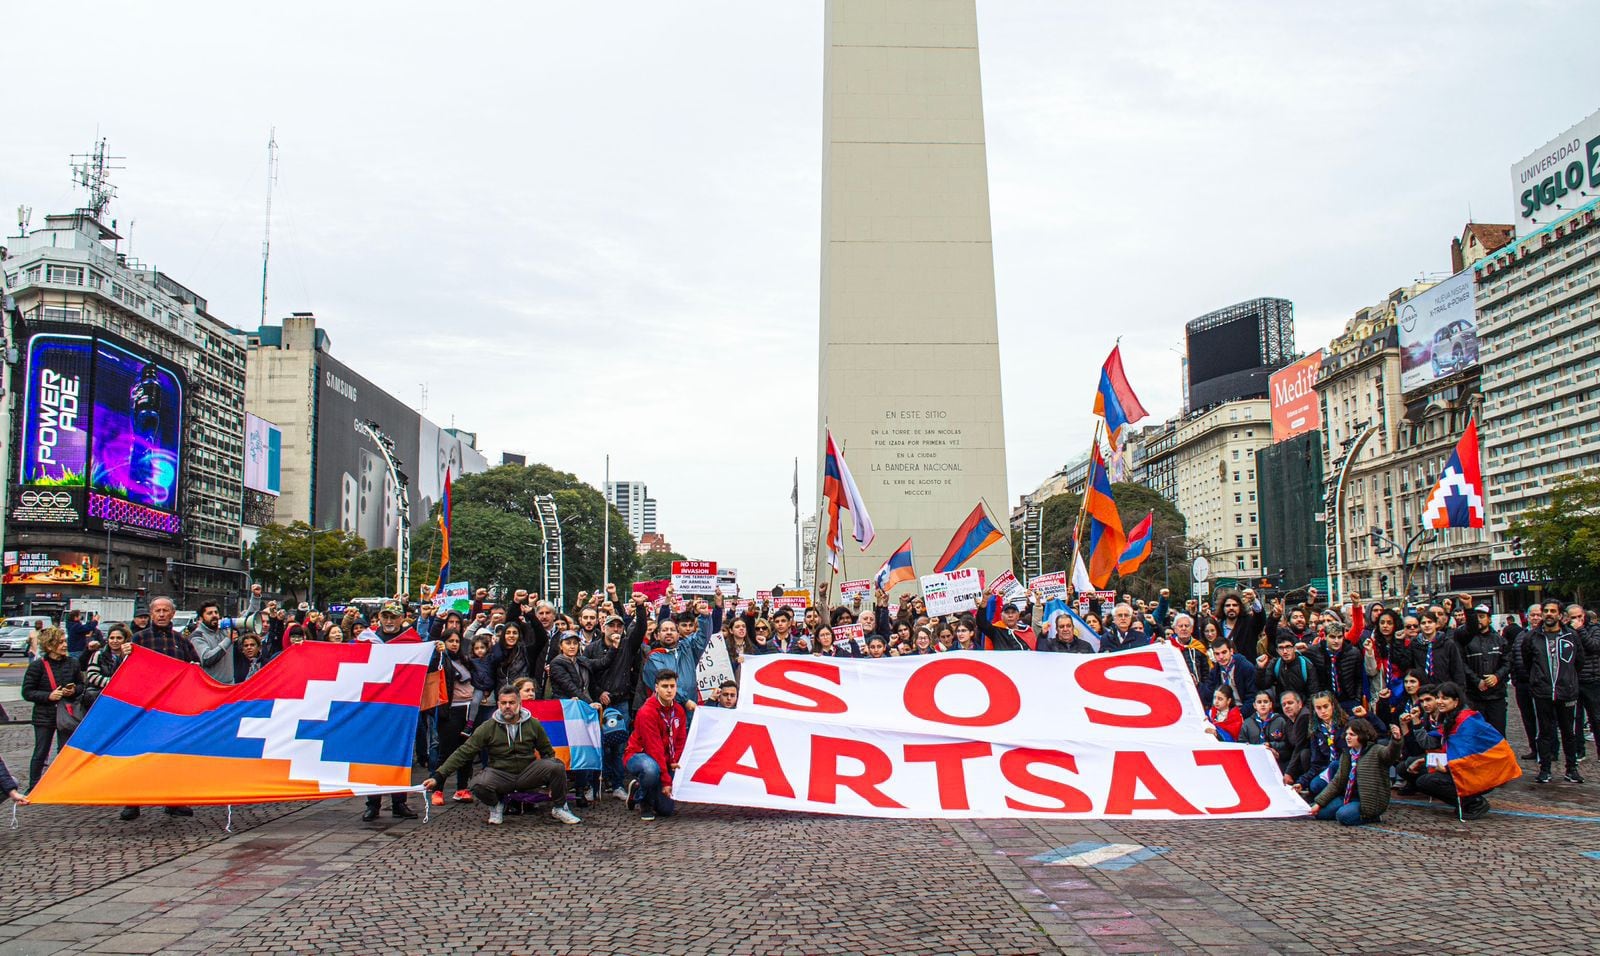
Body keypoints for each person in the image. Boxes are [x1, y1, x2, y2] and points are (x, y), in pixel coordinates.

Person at [424, 686, 580, 826]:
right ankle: (496, 805)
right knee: (477, 784)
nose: (507, 707)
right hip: (500, 773)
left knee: (557, 766)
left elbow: (547, 752)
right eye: (503, 703)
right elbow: (463, 752)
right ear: (498, 704)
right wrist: (438, 777)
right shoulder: (487, 727)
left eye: (511, 703)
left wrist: (553, 783)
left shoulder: (533, 724)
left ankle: (560, 808)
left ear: (519, 704)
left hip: (528, 772)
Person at [123, 597, 198, 819]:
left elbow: (195, 666)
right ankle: (132, 801)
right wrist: (125, 655)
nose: (162, 614)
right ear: (152, 614)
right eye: (158, 611)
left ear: (173, 614)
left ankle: (173, 800)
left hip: (174, 709)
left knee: (173, 756)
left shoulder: (181, 641)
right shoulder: (139, 639)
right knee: (139, 756)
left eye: (166, 610)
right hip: (146, 708)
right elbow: (125, 672)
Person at [1411, 683, 1493, 819]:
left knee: (1427, 781)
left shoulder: (1465, 721)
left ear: (1456, 701)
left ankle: (1473, 802)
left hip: (1480, 771)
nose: (1439, 701)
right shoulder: (1450, 718)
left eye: (1445, 698)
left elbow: (1470, 755)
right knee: (1416, 771)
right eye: (1438, 697)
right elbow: (1430, 743)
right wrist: (1416, 723)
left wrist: (1447, 769)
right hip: (1460, 766)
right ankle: (1466, 802)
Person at [1526, 599, 1584, 785]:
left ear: (1560, 615)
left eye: (1553, 611)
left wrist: (1568, 680)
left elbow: (1579, 661)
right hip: (1542, 692)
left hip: (1565, 691)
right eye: (1546, 611)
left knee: (1569, 732)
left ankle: (1571, 768)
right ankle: (1545, 769)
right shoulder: (1532, 637)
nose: (1549, 614)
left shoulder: (1571, 636)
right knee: (1544, 731)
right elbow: (1528, 662)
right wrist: (1538, 680)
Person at [21, 627, 83, 790]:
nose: (64, 645)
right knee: (41, 751)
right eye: (60, 642)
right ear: (49, 646)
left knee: (65, 752)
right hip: (45, 714)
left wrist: (74, 690)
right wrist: (48, 696)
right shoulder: (37, 666)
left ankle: (64, 784)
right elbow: (27, 692)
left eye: (65, 641)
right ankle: (34, 786)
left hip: (66, 714)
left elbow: (82, 685)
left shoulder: (73, 663)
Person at [624, 669, 689, 822]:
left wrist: (675, 761)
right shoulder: (647, 712)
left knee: (665, 810)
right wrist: (666, 780)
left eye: (672, 686)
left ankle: (638, 789)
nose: (669, 690)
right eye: (665, 686)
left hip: (664, 759)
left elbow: (680, 740)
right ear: (656, 688)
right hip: (639, 755)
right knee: (651, 769)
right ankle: (644, 801)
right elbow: (654, 748)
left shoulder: (679, 710)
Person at [1311, 718, 1402, 825]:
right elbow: (1337, 782)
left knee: (1343, 816)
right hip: (1347, 796)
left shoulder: (1376, 750)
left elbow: (1390, 754)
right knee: (1319, 813)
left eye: (1352, 734)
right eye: (1347, 734)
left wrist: (1396, 740)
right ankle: (1347, 810)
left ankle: (1371, 817)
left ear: (1362, 735)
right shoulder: (1347, 754)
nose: (1348, 737)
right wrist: (1319, 803)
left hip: (1366, 801)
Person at [1461, 605, 1513, 737]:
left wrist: (1497, 676)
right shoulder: (1465, 641)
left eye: (1482, 616)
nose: (1479, 620)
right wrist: (1476, 680)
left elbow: (1507, 662)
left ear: (1489, 619)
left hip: (1497, 695)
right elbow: (1461, 664)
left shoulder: (1500, 640)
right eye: (1476, 617)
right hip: (1474, 696)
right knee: (1477, 734)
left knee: (1498, 733)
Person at [83, 624, 133, 709]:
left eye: (119, 638)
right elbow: (92, 676)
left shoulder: (131, 657)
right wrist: (113, 683)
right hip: (99, 698)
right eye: (112, 638)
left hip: (123, 699)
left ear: (125, 640)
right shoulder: (98, 654)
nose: (115, 641)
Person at [1239, 690, 1290, 769]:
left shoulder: (1280, 721)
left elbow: (1287, 743)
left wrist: (1271, 745)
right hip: (1254, 761)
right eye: (1259, 702)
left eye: (1265, 702)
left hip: (1276, 761)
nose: (1262, 704)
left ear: (1270, 704)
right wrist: (1248, 747)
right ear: (1254, 705)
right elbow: (1241, 743)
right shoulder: (1247, 723)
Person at [189, 601, 236, 684]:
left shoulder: (224, 630)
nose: (214, 615)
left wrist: (255, 597)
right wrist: (228, 640)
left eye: (216, 612)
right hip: (211, 686)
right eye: (209, 613)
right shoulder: (197, 636)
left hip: (229, 685)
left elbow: (247, 620)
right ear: (201, 618)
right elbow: (207, 659)